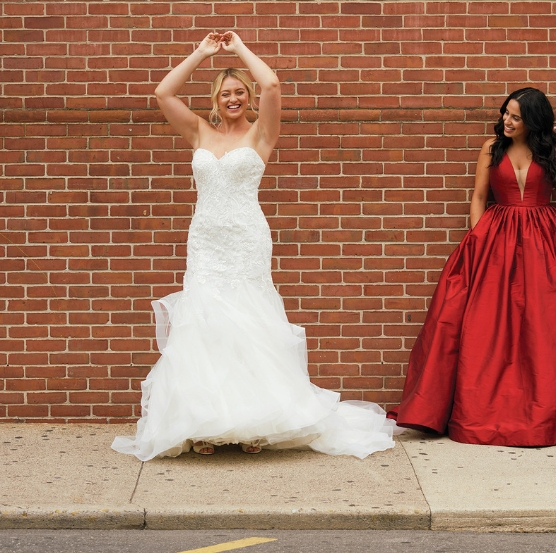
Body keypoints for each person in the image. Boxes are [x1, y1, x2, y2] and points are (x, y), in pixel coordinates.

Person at [112, 32, 396, 461]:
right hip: (206, 241)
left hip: (246, 240)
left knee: (249, 327)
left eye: (239, 92)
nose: (233, 99)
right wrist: (203, 53)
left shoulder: (262, 135)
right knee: (206, 329)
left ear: (247, 98)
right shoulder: (198, 132)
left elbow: (273, 85)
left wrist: (239, 48)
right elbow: (163, 92)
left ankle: (256, 425)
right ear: (215, 98)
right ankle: (201, 423)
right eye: (226, 93)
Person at [390, 88, 556, 446]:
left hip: (548, 240)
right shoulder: (490, 149)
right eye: (505, 114)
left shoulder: (552, 149)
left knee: (549, 324)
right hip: (496, 241)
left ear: (533, 122)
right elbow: (479, 197)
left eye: (515, 117)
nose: (506, 122)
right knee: (487, 324)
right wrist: (477, 240)